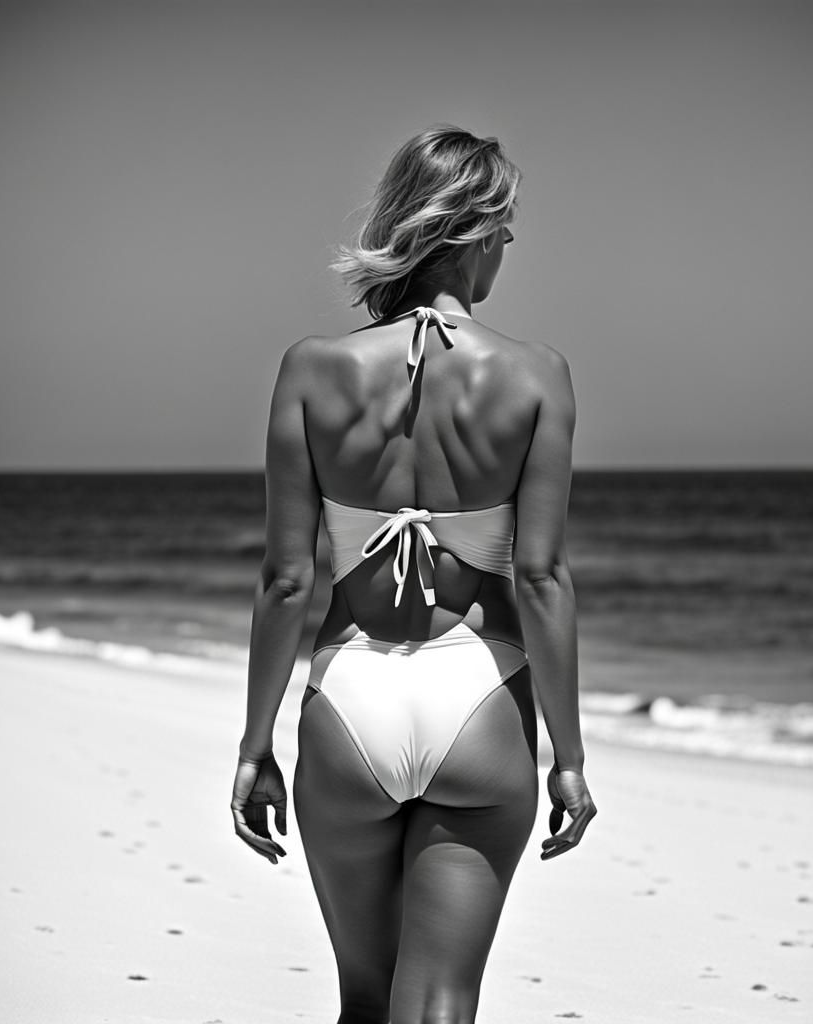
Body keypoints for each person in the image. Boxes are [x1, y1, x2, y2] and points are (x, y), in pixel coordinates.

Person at [230, 125, 596, 1024]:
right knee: (436, 1006)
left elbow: (285, 580)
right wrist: (570, 760)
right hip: (479, 696)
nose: (506, 249)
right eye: (503, 229)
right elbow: (543, 580)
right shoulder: (537, 375)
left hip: (350, 700)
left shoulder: (310, 371)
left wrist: (253, 747)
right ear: (469, 231)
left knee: (363, 1003)